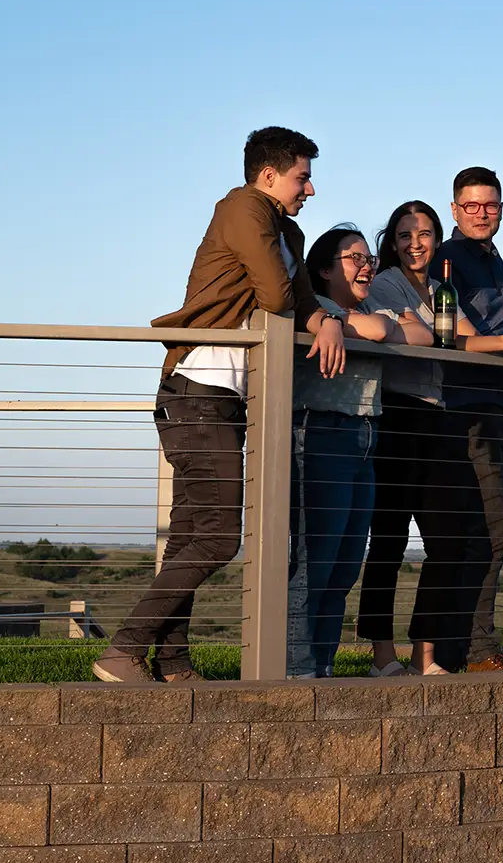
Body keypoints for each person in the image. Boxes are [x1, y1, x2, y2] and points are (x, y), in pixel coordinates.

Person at [94, 127, 345, 686]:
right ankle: (123, 648)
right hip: (196, 391)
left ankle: (173, 662)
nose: (310, 189)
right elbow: (279, 298)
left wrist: (326, 320)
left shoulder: (287, 232)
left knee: (188, 536)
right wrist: (300, 303)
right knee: (217, 537)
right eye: (302, 177)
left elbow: (300, 300)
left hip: (224, 398)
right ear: (269, 176)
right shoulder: (241, 209)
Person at [356, 201, 492, 675]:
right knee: (388, 541)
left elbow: (465, 340)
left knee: (449, 541)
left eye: (426, 234)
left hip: (436, 417)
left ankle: (423, 656)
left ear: (437, 240)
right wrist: (430, 332)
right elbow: (412, 337)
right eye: (406, 235)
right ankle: (381, 658)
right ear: (391, 242)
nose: (416, 244)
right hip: (394, 415)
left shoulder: (439, 290)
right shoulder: (383, 283)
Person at [289, 223, 431, 677]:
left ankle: (323, 666)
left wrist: (384, 325)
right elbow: (377, 330)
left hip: (365, 436)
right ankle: (296, 667)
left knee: (344, 566)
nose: (367, 265)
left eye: (369, 258)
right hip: (322, 433)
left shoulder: (365, 309)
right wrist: (386, 325)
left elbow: (424, 336)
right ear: (325, 269)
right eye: (355, 258)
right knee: (316, 560)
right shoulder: (320, 308)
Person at [431, 166, 503, 671]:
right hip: (463, 410)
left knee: (476, 533)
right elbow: (450, 331)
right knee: (491, 530)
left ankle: (459, 650)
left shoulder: (490, 258)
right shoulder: (449, 257)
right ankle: (475, 649)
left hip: (492, 405)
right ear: (454, 210)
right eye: (472, 206)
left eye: (491, 205)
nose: (482, 213)